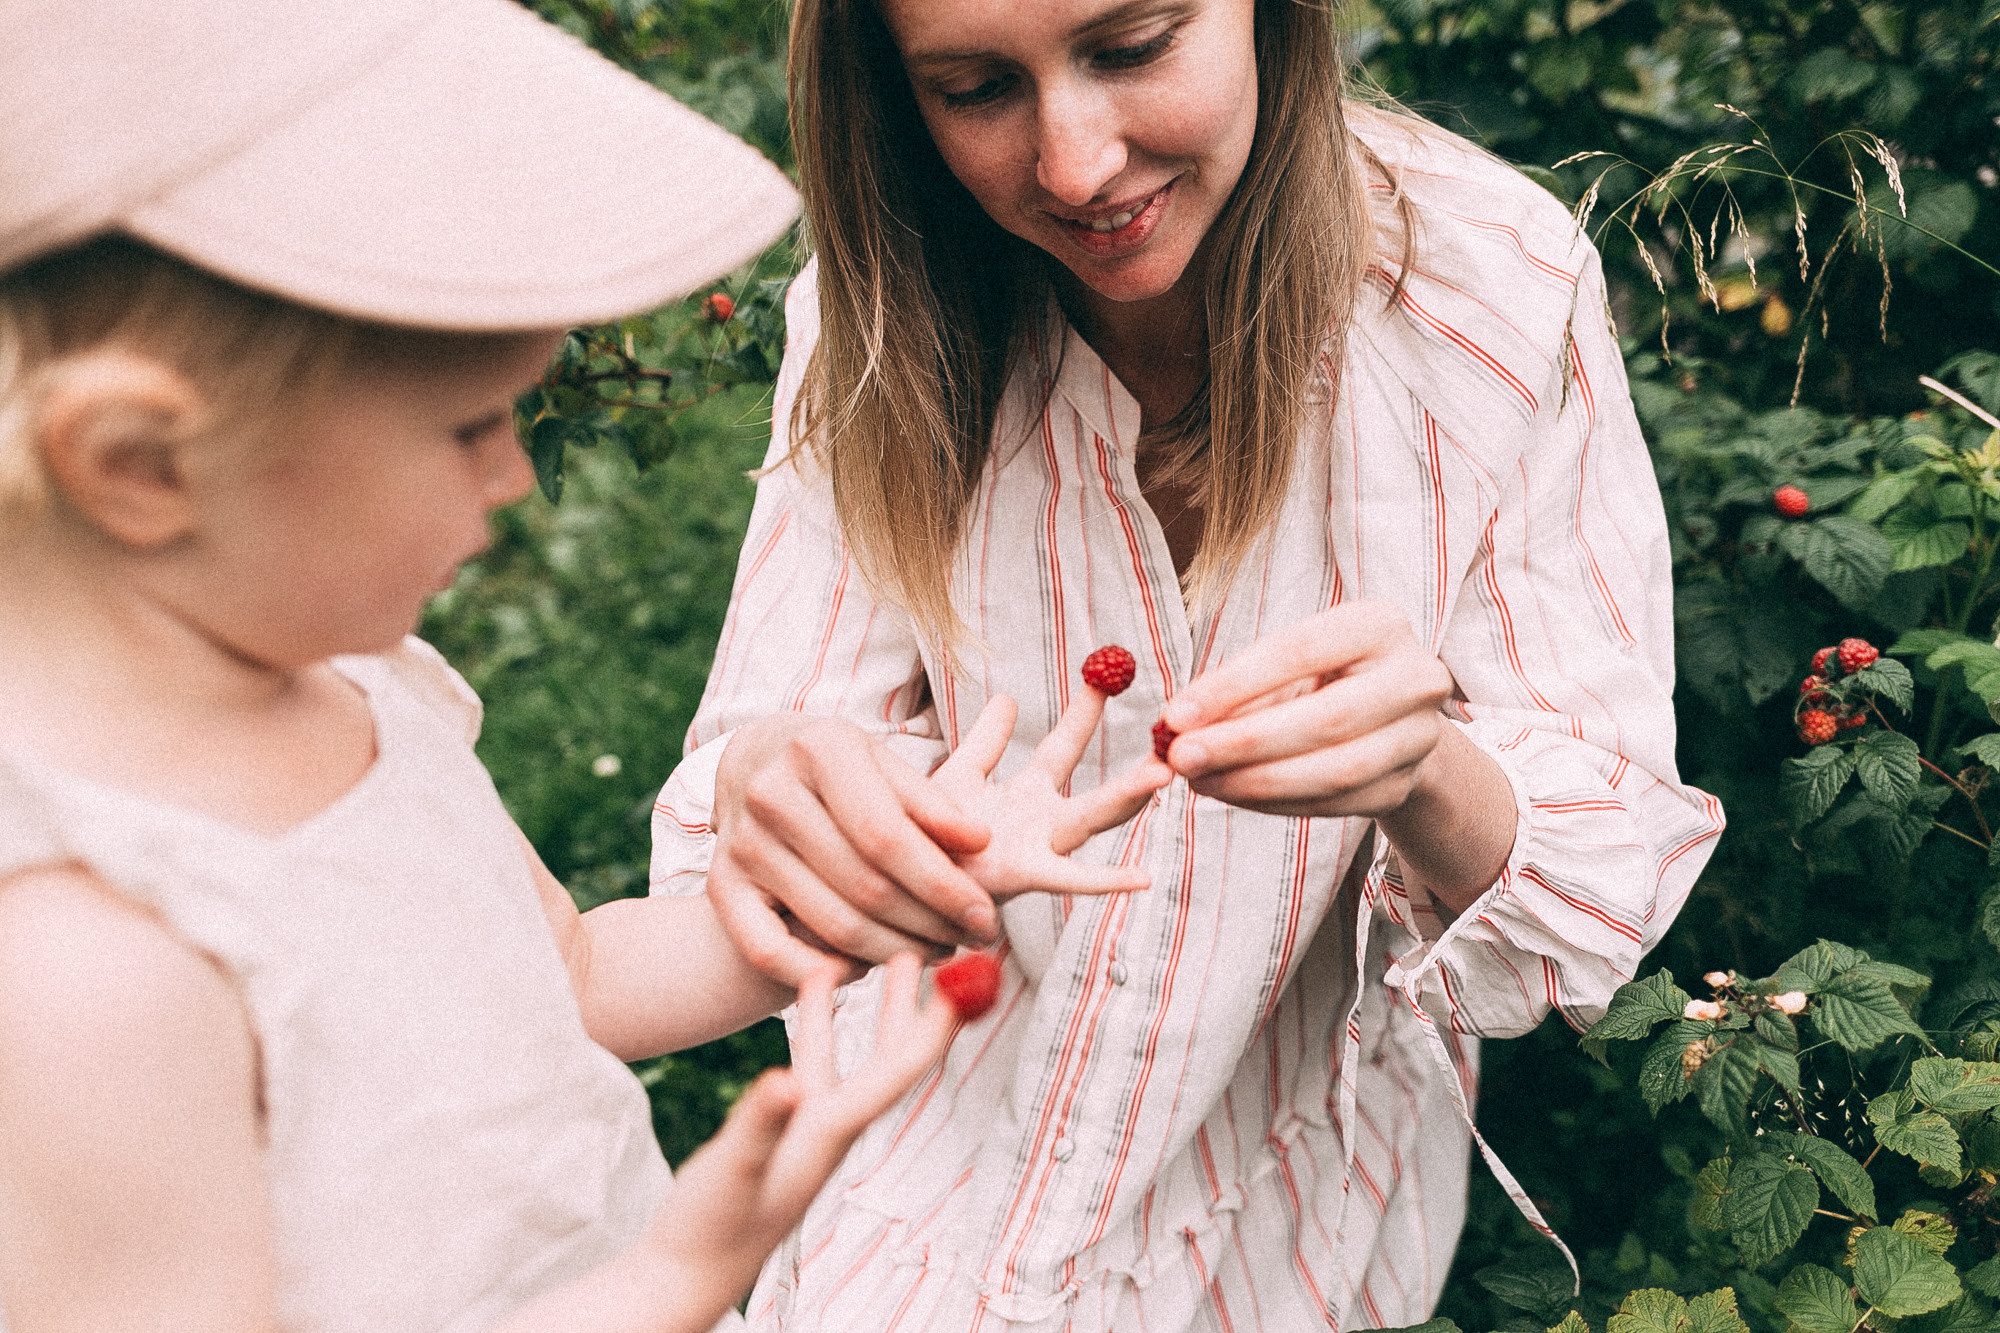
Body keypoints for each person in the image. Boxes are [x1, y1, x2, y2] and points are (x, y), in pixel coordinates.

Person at [0, 1, 1143, 1329]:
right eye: (471, 424)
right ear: (145, 463)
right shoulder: (85, 966)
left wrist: (882, 873)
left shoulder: (360, 692)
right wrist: (662, 1286)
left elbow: (577, 979)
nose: (515, 477)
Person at [647, 0, 1729, 1328]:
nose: (1074, 166)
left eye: (1132, 47)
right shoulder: (878, 312)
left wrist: (1426, 770)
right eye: (976, 88)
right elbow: (759, 784)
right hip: (927, 1185)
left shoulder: (1490, 294)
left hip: (1271, 1226)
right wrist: (782, 781)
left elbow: (1587, 886)